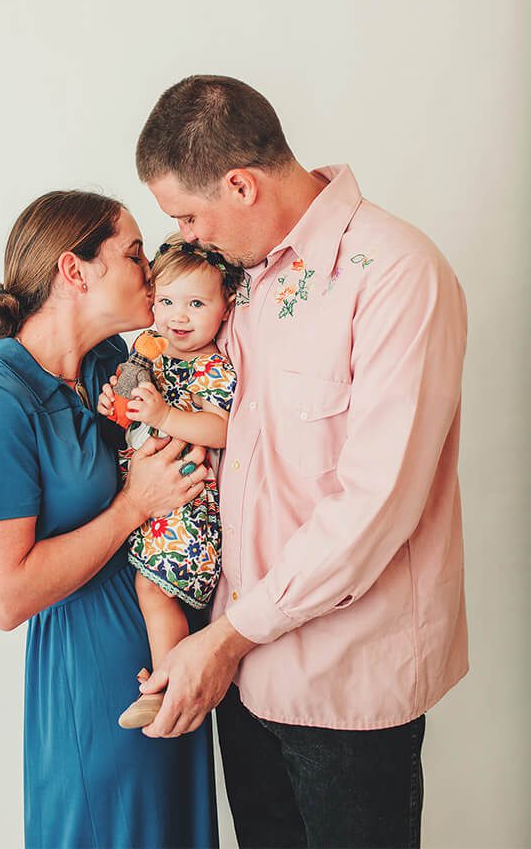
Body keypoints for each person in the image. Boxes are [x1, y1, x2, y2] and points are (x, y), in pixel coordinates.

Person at [133, 74, 467, 847]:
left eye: (187, 214)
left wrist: (224, 638)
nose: (184, 237)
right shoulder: (242, 282)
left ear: (241, 184)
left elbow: (375, 503)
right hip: (244, 677)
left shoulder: (394, 272)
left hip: (342, 684)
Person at [0, 190, 217, 847]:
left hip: (167, 662)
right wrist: (134, 506)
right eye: (133, 253)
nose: (151, 270)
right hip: (91, 686)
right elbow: (6, 598)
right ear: (74, 270)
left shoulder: (108, 366)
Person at [96, 235, 241, 730]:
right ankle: (167, 678)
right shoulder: (154, 358)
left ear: (225, 307)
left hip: (188, 508)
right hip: (158, 508)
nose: (178, 316)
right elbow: (136, 419)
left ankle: (168, 681)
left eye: (196, 303)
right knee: (150, 590)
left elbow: (222, 428)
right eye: (166, 302)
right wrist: (117, 408)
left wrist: (165, 413)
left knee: (154, 590)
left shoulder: (213, 367)